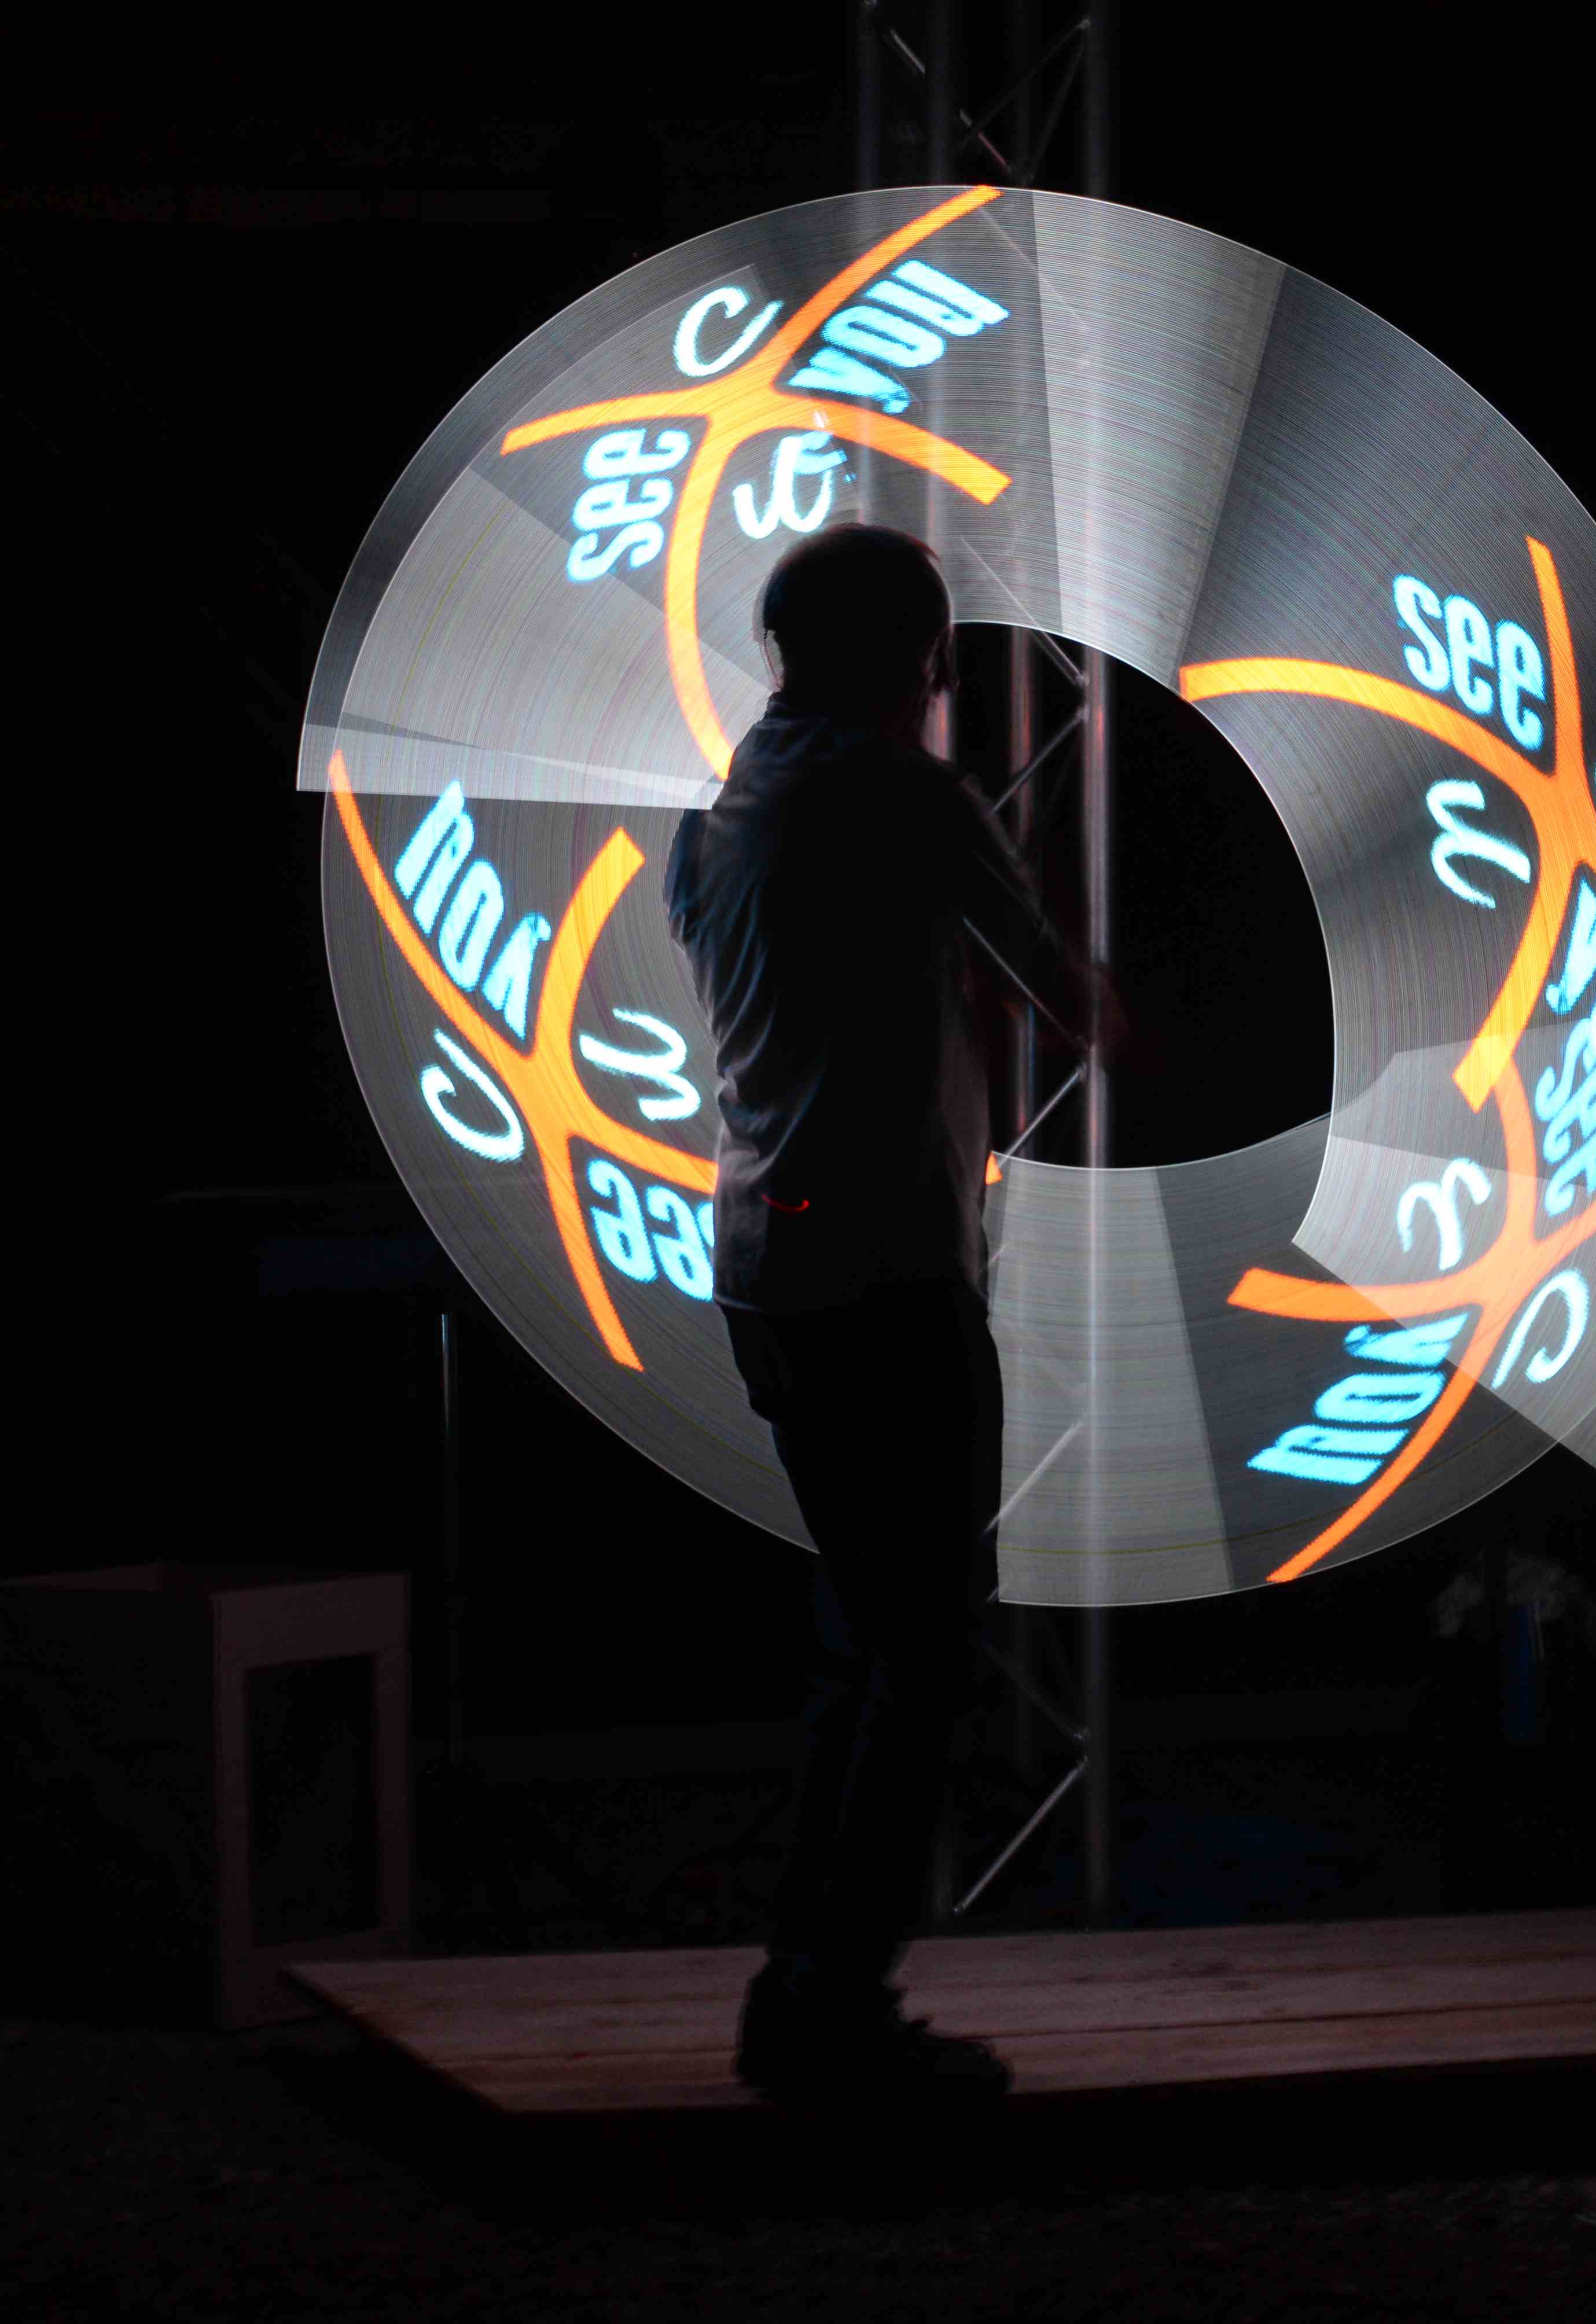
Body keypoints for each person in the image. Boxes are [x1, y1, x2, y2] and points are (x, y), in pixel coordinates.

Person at [666, 522, 1100, 2109]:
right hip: (895, 1277)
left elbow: (818, 998)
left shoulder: (716, 823)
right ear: (916, 661)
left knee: (866, 1642)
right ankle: (829, 2006)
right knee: (923, 1650)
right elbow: (1073, 997)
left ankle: (807, 1994)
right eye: (934, 659)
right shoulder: (912, 800)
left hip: (766, 1266)